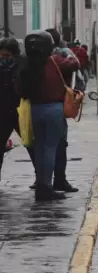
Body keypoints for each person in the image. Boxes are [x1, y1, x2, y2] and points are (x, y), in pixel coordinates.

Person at [18, 31, 80, 200]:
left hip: (35, 109)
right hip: (53, 109)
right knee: (51, 148)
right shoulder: (54, 60)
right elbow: (75, 64)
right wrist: (67, 52)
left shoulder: (26, 62)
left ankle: (41, 184)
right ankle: (46, 187)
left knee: (39, 147)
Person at [0, 37, 35, 179]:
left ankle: (41, 177)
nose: (3, 58)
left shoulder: (24, 64)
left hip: (21, 111)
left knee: (31, 145)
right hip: (2, 112)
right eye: (1, 54)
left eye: (7, 55)